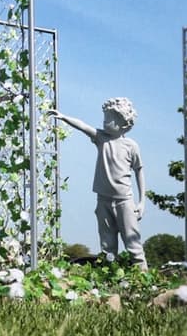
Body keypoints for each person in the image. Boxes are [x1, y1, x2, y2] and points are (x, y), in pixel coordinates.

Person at [49, 97, 148, 269]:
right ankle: (109, 279)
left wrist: (142, 202)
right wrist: (64, 117)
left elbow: (139, 170)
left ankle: (145, 281)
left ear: (124, 124)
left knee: (133, 244)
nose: (104, 122)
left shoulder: (131, 146)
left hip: (124, 200)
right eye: (104, 118)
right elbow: (83, 126)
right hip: (103, 200)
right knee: (107, 246)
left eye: (109, 119)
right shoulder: (101, 138)